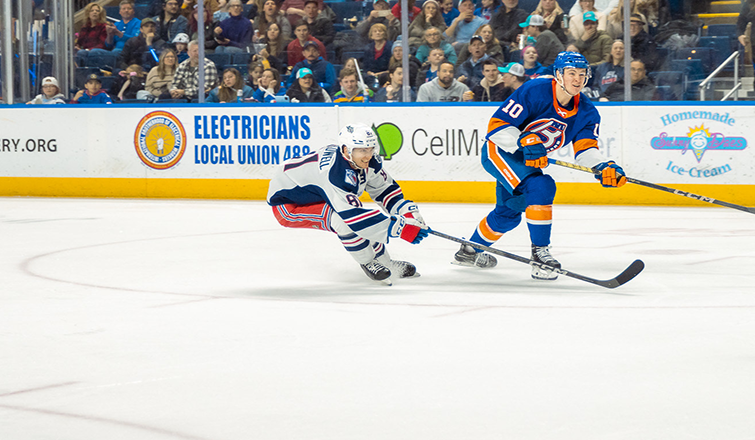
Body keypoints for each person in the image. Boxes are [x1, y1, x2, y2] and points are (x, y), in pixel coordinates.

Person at [453, 51, 625, 280]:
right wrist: (523, 141)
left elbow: (585, 151)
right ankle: (540, 255)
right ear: (558, 74)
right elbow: (497, 126)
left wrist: (604, 166)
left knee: (508, 214)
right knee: (541, 186)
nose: (577, 79)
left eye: (582, 74)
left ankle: (469, 250)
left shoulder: (587, 112)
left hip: (524, 159)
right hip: (500, 150)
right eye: (571, 73)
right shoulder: (536, 90)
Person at [267, 124, 428, 285]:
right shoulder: (335, 174)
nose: (368, 155)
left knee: (364, 219)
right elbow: (354, 218)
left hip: (319, 193)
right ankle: (368, 262)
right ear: (346, 151)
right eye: (362, 150)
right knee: (344, 222)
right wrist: (400, 228)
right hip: (289, 205)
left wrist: (406, 212)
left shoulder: (366, 161)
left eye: (371, 148)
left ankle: (386, 263)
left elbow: (385, 190)